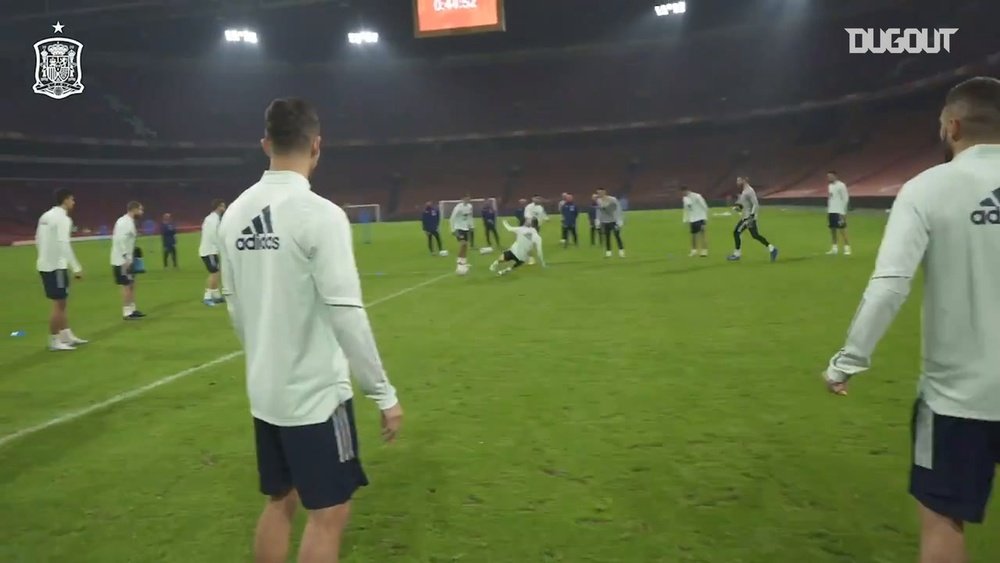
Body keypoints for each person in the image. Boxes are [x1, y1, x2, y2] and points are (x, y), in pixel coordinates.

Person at [822, 77, 1000, 563]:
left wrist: (846, 362)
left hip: (956, 401)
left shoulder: (926, 188)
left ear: (953, 125)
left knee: (943, 526)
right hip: (959, 399)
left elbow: (890, 284)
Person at [218, 98, 403, 563]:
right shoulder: (319, 214)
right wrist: (383, 393)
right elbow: (347, 314)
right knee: (330, 513)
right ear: (317, 146)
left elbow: (235, 307)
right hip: (317, 397)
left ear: (265, 144)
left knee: (280, 500)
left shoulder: (235, 214)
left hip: (265, 391)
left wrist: (266, 356)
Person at [35, 188, 87, 351]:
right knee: (59, 303)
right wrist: (76, 267)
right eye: (72, 199)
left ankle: (66, 334)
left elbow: (38, 239)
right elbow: (64, 243)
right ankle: (54, 340)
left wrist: (43, 256)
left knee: (62, 301)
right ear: (65, 200)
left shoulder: (46, 216)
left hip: (46, 264)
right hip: (56, 266)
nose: (73, 202)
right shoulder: (63, 219)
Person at [727, 177, 778, 262]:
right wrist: (738, 208)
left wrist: (752, 215)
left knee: (736, 232)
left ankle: (737, 254)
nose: (737, 182)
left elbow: (755, 204)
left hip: (748, 218)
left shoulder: (749, 191)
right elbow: (746, 205)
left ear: (744, 180)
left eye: (739, 180)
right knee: (755, 235)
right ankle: (772, 249)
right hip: (747, 217)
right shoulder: (744, 191)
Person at [111, 201, 145, 320]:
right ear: (134, 209)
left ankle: (132, 309)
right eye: (140, 210)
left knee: (131, 284)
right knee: (126, 285)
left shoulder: (128, 222)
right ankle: (127, 312)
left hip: (128, 259)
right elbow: (120, 241)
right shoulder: (124, 222)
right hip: (121, 261)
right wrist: (126, 257)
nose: (142, 212)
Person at [199, 199, 227, 306]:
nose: (224, 208)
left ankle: (216, 295)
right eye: (223, 206)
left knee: (216, 272)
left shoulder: (211, 218)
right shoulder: (213, 220)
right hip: (209, 250)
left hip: (210, 249)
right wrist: (221, 246)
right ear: (218, 207)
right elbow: (213, 235)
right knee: (214, 273)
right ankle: (207, 297)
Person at [826, 171, 852, 255]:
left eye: (831, 176)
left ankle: (847, 248)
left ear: (835, 176)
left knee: (842, 229)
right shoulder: (830, 186)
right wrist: (828, 209)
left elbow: (845, 198)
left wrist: (843, 212)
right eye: (828, 176)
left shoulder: (841, 185)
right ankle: (834, 248)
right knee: (833, 229)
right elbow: (830, 198)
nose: (829, 178)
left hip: (839, 211)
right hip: (831, 211)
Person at [595, 188, 625, 258]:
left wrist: (619, 220)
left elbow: (618, 209)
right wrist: (598, 220)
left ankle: (621, 251)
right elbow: (599, 211)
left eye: (600, 192)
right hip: (605, 221)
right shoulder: (598, 201)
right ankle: (608, 252)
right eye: (598, 193)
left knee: (617, 236)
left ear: (604, 192)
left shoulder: (612, 199)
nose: (599, 194)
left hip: (613, 221)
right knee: (607, 237)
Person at [681, 186, 709, 257]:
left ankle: (704, 251)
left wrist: (705, 217)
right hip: (693, 219)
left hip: (701, 217)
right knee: (693, 235)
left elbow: (704, 206)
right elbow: (686, 209)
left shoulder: (697, 196)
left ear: (687, 190)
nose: (683, 194)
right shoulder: (685, 198)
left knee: (703, 233)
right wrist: (685, 219)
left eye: (683, 192)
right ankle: (694, 251)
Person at [449, 195, 474, 273]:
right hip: (458, 228)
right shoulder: (458, 207)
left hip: (466, 228)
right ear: (462, 199)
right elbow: (452, 218)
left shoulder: (470, 206)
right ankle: (459, 262)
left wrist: (472, 226)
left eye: (469, 198)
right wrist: (452, 230)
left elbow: (470, 217)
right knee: (462, 244)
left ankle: (464, 262)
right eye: (466, 198)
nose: (468, 200)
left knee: (466, 245)